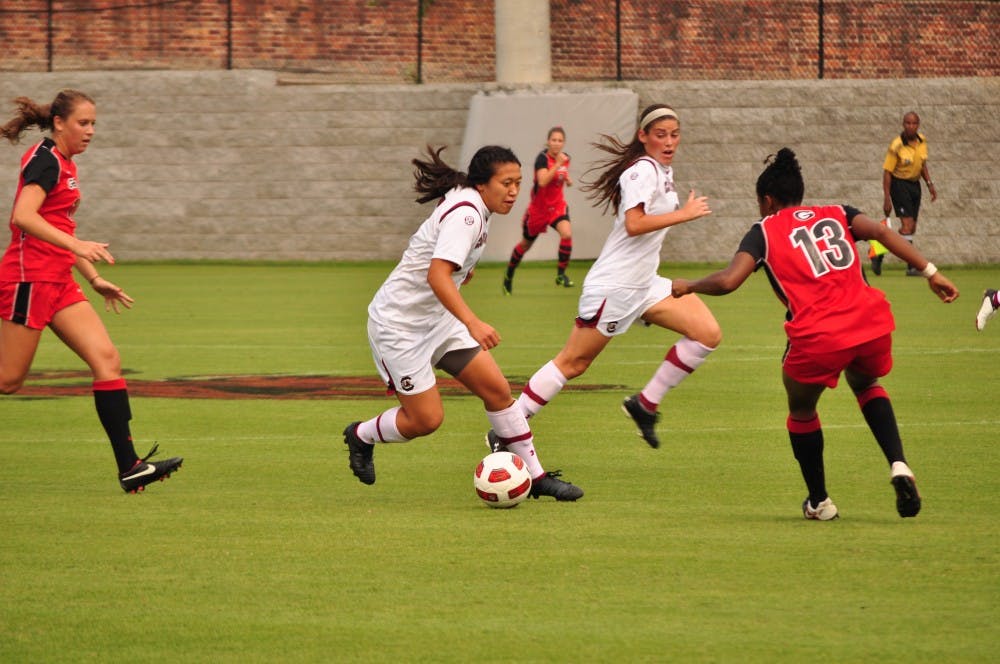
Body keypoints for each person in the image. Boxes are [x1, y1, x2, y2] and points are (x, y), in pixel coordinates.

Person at [672, 147, 959, 520]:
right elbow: (880, 232)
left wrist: (688, 285)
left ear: (767, 200)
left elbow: (729, 281)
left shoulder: (764, 231)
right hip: (870, 323)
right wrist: (931, 272)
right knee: (865, 382)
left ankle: (820, 502)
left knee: (802, 407)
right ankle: (899, 464)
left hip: (819, 336)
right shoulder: (838, 213)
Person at [343, 144, 583, 501]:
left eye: (518, 183)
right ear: (482, 184)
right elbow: (436, 275)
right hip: (400, 326)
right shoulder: (467, 215)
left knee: (497, 391)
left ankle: (536, 477)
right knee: (425, 420)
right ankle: (361, 435)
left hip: (437, 319)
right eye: (506, 183)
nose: (513, 191)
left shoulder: (475, 203)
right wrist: (472, 322)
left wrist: (462, 272)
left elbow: (441, 261)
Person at [490, 105, 721, 451]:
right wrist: (683, 215)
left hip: (644, 283)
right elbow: (634, 224)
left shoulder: (660, 170)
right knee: (573, 362)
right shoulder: (641, 171)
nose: (669, 142)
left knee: (707, 333)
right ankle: (507, 430)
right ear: (643, 136)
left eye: (675, 134)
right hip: (616, 285)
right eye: (660, 135)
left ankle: (645, 405)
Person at [0, 89, 182, 493]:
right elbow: (23, 217)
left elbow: (60, 230)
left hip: (59, 281)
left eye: (94, 124)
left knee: (107, 361)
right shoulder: (45, 159)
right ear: (59, 122)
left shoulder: (67, 165)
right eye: (83, 123)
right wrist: (77, 246)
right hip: (29, 279)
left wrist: (94, 279)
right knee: (8, 381)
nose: (91, 131)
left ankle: (130, 467)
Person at [502, 126, 575, 294]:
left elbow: (562, 174)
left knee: (567, 234)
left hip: (557, 206)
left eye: (560, 140)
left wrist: (567, 179)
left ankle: (561, 274)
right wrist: (558, 164)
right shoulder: (542, 159)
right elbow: (542, 181)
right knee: (525, 245)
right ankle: (509, 274)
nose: (556, 143)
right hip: (538, 210)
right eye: (554, 140)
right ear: (548, 141)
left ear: (563, 143)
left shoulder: (565, 158)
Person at [881, 111, 936, 276]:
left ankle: (879, 249)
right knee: (907, 226)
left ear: (918, 125)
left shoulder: (922, 141)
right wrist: (887, 197)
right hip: (899, 185)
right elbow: (887, 172)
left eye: (914, 123)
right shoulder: (896, 145)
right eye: (908, 123)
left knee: (912, 228)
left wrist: (929, 184)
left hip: (915, 185)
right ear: (903, 124)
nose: (911, 126)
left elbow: (922, 165)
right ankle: (912, 266)